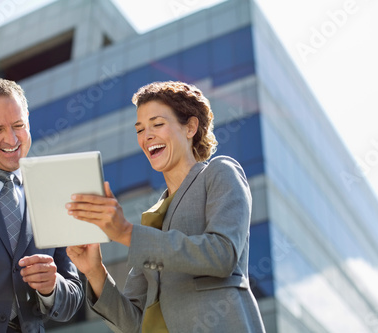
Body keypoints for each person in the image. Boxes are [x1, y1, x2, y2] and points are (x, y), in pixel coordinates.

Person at [66, 81, 266, 332]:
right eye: (140, 129)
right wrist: (95, 271)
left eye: (158, 124)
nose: (147, 136)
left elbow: (222, 254)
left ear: (190, 127)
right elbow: (134, 323)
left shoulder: (219, 172)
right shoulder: (153, 218)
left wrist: (126, 233)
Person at [0, 77, 83, 332]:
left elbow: (72, 299)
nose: (11, 139)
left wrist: (51, 287)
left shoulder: (54, 194)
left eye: (18, 125)